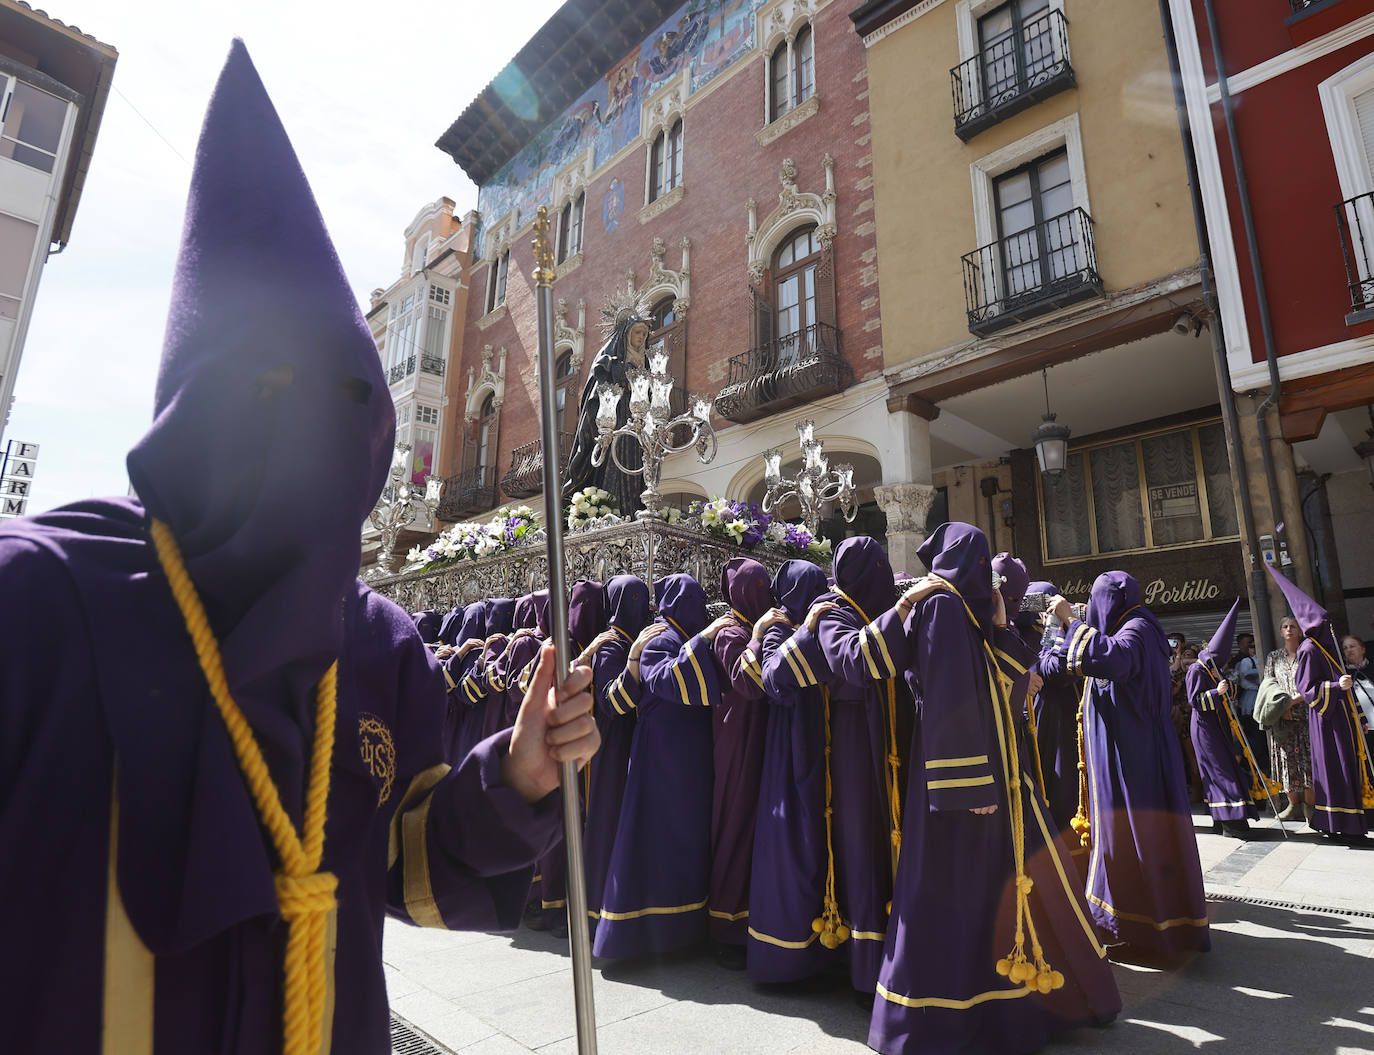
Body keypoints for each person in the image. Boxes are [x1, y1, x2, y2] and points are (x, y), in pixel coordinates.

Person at [0, 42, 601, 1055]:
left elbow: (407, 860)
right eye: (271, 386)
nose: (311, 432)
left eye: (346, 397)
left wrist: (519, 775)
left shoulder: (377, 647)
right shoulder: (38, 599)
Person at [868, 523, 1120, 1055]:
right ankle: (957, 1017)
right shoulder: (942, 608)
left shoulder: (965, 613)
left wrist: (1001, 622)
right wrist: (966, 788)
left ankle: (1021, 1005)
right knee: (954, 894)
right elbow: (946, 699)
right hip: (962, 789)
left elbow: (1010, 679)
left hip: (995, 778)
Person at [1042, 572, 1209, 961]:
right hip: (1129, 751)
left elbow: (1109, 659)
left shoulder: (1137, 628)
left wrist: (1071, 620)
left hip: (1135, 756)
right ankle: (1130, 926)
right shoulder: (1134, 629)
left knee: (1136, 834)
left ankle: (1146, 929)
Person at [779, 537, 908, 1001]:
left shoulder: (888, 605)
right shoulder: (834, 613)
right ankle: (866, 965)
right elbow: (853, 662)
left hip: (900, 742)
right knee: (863, 844)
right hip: (856, 747)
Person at [592, 574, 734, 959]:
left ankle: (684, 930)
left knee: (687, 839)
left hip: (691, 755)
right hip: (658, 755)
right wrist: (702, 640)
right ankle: (633, 936)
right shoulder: (657, 639)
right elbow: (668, 680)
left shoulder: (671, 635)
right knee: (650, 839)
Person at [749, 559, 832, 983]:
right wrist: (792, 630)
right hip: (791, 740)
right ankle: (786, 957)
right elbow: (772, 678)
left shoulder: (827, 618)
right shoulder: (783, 625)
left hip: (824, 738)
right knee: (791, 839)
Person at [1266, 566, 1373, 842]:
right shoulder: (1310, 648)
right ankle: (1338, 822)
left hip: (1343, 717)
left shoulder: (1329, 646)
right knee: (1335, 768)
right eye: (1325, 622)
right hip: (1328, 721)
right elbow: (1307, 688)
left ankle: (1351, 821)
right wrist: (1337, 686)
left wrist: (1357, 713)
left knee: (1346, 768)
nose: (1330, 626)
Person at [707, 557, 775, 968]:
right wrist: (760, 634)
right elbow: (747, 682)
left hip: (757, 734)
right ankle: (724, 925)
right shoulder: (730, 632)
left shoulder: (746, 627)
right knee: (734, 823)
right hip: (735, 737)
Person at [581, 576, 652, 937]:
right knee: (605, 821)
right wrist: (636, 658)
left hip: (628, 744)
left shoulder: (621, 641)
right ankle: (595, 912)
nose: (640, 605)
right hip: (609, 747)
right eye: (632, 598)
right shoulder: (611, 646)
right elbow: (613, 703)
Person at [562, 300, 651, 518]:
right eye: (638, 332)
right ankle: (610, 510)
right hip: (616, 422)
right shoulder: (609, 362)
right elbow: (598, 390)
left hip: (636, 426)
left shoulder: (646, 363)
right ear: (626, 335)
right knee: (613, 463)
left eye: (644, 334)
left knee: (635, 467)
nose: (642, 337)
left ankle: (630, 512)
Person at [1185, 601, 1258, 839]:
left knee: (1226, 766)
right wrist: (1218, 691)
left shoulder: (1215, 669)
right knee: (1219, 769)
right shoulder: (1197, 670)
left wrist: (1227, 688)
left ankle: (1226, 816)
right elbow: (1195, 700)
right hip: (1205, 729)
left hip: (1221, 726)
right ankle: (1230, 820)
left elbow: (1230, 693)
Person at [1265, 616, 1315, 823]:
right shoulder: (1274, 657)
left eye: (1293, 626)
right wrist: (1279, 705)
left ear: (1300, 630)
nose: (1289, 630)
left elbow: (1313, 682)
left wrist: (1292, 702)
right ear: (1280, 631)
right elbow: (1268, 683)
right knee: (1287, 762)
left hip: (1306, 715)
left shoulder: (1307, 654)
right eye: (1285, 626)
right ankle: (1293, 805)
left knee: (1308, 763)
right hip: (1282, 717)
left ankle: (1311, 807)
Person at [1344, 635, 1374, 760]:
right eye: (1345, 648)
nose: (1349, 650)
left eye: (1352, 646)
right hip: (1365, 730)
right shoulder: (1343, 676)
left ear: (1362, 649)